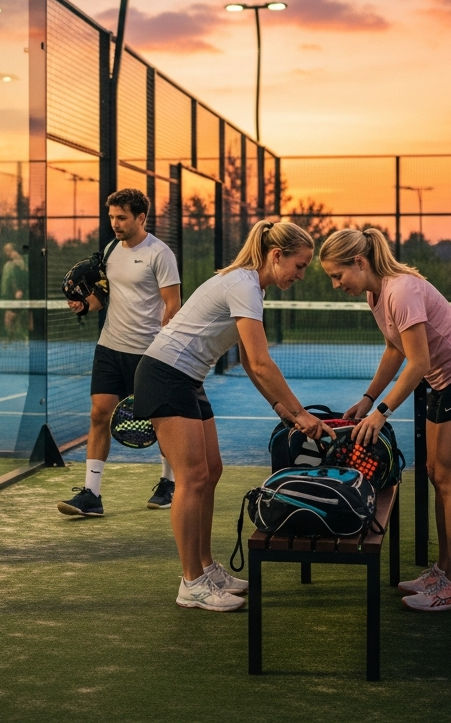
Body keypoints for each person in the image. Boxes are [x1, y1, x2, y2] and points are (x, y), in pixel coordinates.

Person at [134, 220, 334, 611]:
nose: (301, 274)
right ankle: (191, 581)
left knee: (211, 471)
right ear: (277, 256)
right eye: (300, 264)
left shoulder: (251, 286)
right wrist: (300, 413)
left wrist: (283, 410)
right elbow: (260, 363)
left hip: (188, 378)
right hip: (164, 375)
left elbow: (245, 357)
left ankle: (206, 567)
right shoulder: (243, 285)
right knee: (191, 477)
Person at [319, 227, 451, 612]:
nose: (336, 284)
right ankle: (444, 570)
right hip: (445, 384)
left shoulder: (401, 290)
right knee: (438, 475)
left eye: (337, 275)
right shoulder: (376, 295)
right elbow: (395, 350)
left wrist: (382, 411)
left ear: (359, 262)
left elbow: (417, 361)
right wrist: (368, 398)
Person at [57, 188, 181, 517]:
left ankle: (168, 483)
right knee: (99, 414)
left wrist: (163, 346)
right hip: (110, 347)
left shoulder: (160, 253)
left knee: (160, 421)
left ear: (141, 218)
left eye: (121, 217)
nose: (115, 223)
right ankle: (91, 495)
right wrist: (85, 304)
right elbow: (103, 297)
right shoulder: (110, 249)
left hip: (148, 353)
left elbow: (173, 304)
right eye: (111, 217)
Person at [0, 242, 27, 339]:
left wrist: (19, 290)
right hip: (10, 294)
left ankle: (17, 337)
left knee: (11, 316)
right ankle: (14, 337)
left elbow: (18, 278)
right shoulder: (10, 264)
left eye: (8, 250)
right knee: (12, 316)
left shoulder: (17, 263)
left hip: (16, 294)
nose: (7, 253)